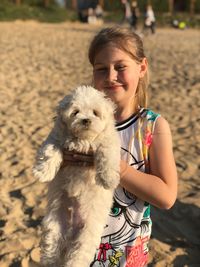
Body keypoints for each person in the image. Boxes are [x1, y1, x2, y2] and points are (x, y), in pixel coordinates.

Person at [63, 26, 178, 266]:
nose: (111, 76)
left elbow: (167, 197)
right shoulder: (82, 122)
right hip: (77, 248)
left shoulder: (152, 127)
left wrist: (118, 168)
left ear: (142, 67)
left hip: (125, 255)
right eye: (101, 69)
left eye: (120, 67)